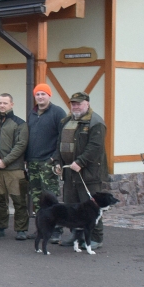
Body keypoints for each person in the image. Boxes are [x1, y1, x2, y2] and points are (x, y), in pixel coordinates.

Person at [52, 91, 109, 250]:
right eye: (73, 103)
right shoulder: (66, 121)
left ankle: (96, 238)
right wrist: (58, 161)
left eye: (79, 103)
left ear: (87, 103)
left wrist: (81, 162)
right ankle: (75, 235)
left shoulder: (95, 122)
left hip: (89, 174)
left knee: (91, 207)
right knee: (72, 206)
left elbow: (95, 147)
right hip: (70, 172)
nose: (75, 106)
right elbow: (60, 144)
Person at [26, 83, 67, 243]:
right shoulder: (32, 113)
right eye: (38, 94)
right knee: (37, 199)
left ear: (49, 96)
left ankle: (56, 230)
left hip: (48, 162)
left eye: (43, 94)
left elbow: (63, 138)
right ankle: (41, 229)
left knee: (51, 198)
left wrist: (55, 159)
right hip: (33, 162)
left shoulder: (58, 113)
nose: (40, 97)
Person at [0, 93, 30, 239]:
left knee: (19, 200)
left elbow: (21, 145)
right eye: (0, 103)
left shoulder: (20, 124)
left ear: (12, 104)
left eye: (5, 103)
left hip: (14, 169)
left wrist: (5, 161)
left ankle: (21, 229)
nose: (2, 105)